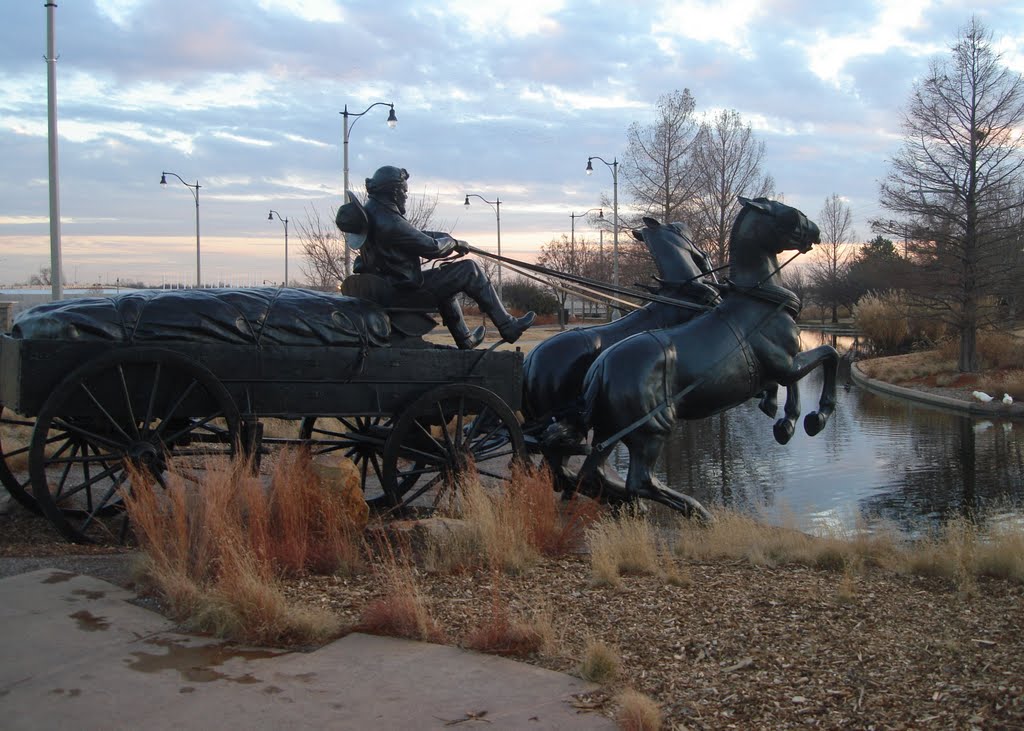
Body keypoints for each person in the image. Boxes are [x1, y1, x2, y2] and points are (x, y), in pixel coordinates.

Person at [338, 165, 534, 349]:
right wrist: (454, 244)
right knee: (468, 270)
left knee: (445, 280)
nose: (406, 196)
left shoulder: (375, 212)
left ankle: (465, 339)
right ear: (394, 192)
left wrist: (448, 238)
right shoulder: (389, 221)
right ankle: (507, 325)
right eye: (404, 192)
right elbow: (430, 247)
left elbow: (414, 234)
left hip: (389, 288)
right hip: (401, 293)